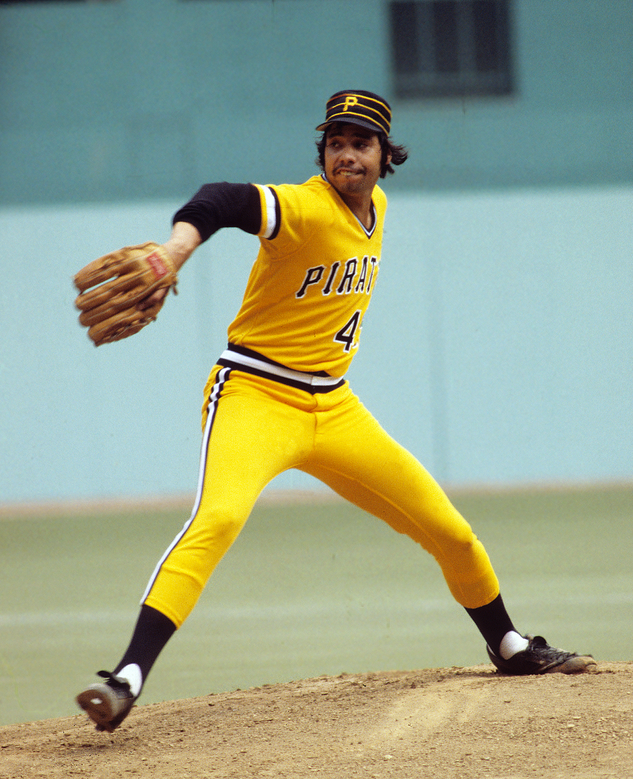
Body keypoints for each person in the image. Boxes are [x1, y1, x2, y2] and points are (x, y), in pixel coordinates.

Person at [76, 90, 595, 733]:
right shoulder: (303, 207)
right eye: (335, 143)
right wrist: (177, 249)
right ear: (322, 152)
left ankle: (509, 645)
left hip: (335, 405)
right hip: (255, 395)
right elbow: (221, 197)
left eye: (361, 143)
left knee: (450, 529)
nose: (346, 154)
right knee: (218, 519)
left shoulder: (376, 206)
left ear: (385, 156)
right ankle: (127, 679)